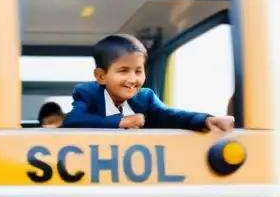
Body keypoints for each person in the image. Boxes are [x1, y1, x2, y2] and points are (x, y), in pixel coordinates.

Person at [63, 34, 233, 131]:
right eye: (123, 71)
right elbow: (73, 120)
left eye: (138, 71)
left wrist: (204, 120)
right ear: (101, 76)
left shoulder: (146, 97)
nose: (132, 79)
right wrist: (121, 122)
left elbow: (170, 115)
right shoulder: (87, 93)